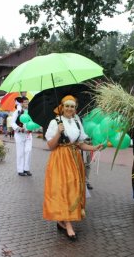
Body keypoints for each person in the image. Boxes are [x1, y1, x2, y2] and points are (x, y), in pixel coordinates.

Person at [43, 95, 103, 241]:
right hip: (60, 159)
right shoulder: (55, 122)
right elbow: (50, 146)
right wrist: (58, 132)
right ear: (62, 107)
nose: (69, 109)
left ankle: (62, 220)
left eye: (72, 106)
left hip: (75, 160)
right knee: (63, 190)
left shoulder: (77, 121)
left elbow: (80, 144)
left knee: (73, 189)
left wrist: (94, 147)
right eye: (67, 106)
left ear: (75, 108)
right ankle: (68, 225)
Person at [12, 97, 33, 176]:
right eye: (25, 102)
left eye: (27, 102)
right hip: (19, 135)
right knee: (20, 152)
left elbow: (33, 123)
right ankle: (20, 169)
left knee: (28, 151)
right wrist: (18, 128)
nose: (26, 104)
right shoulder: (17, 112)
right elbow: (12, 123)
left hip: (28, 134)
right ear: (21, 103)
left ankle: (26, 169)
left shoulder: (31, 112)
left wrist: (33, 128)